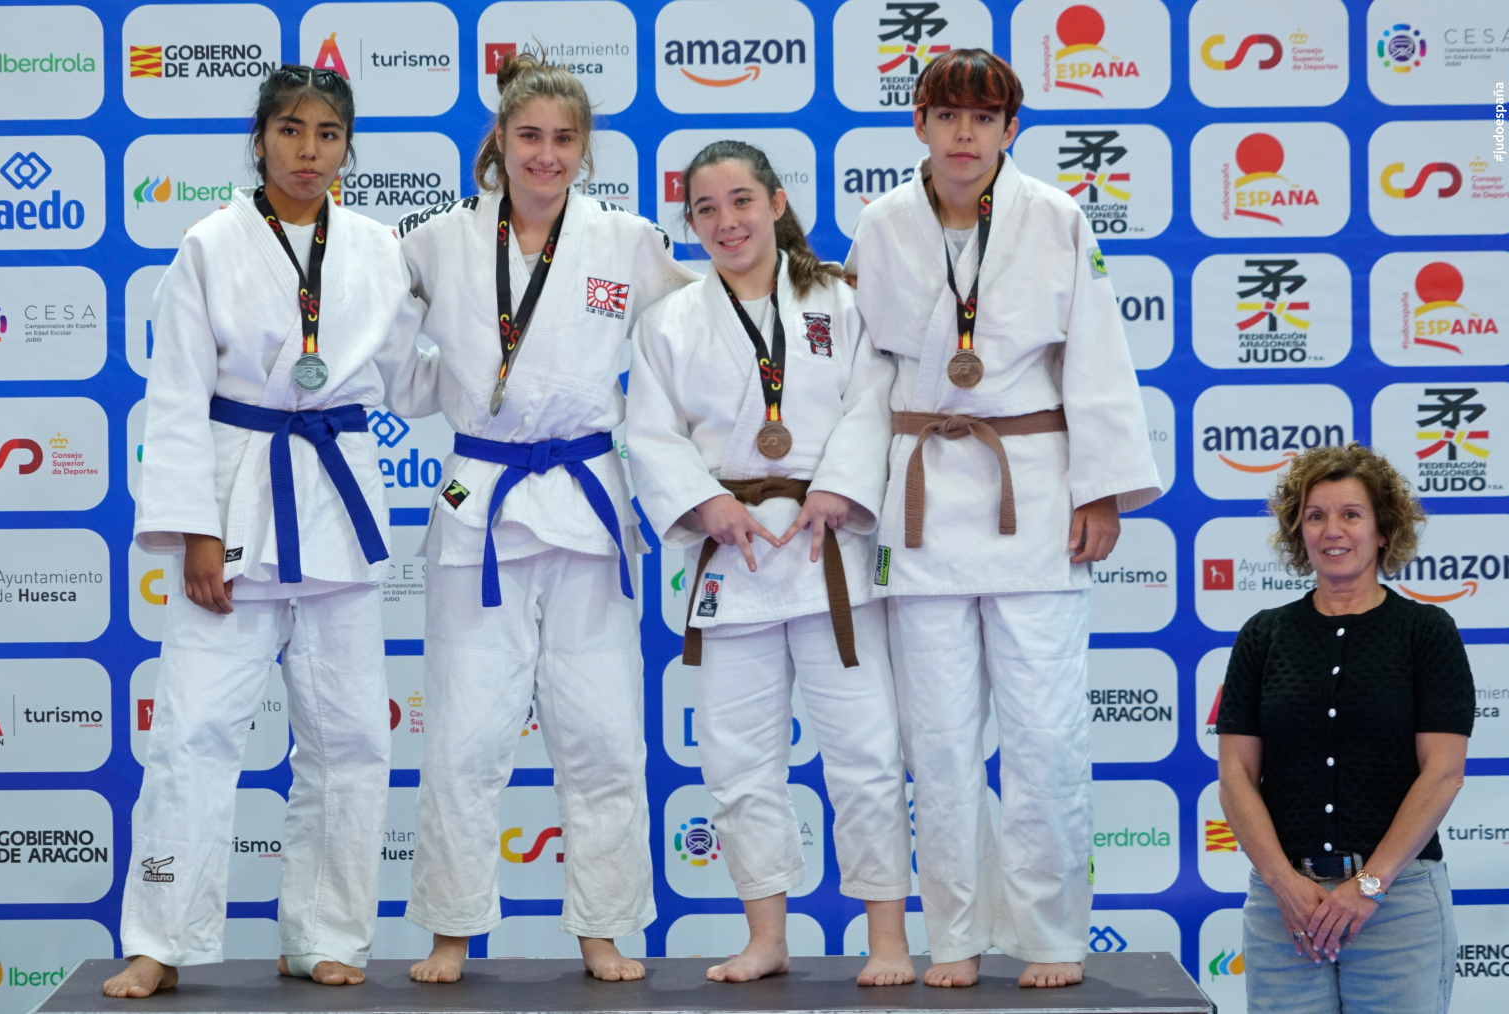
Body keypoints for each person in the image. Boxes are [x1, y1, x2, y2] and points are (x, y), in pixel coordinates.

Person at [844, 48, 1161, 989]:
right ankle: (954, 933)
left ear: (1011, 129)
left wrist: (1100, 488)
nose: (965, 134)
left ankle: (1052, 933)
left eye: (984, 118)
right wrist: (851, 493)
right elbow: (861, 377)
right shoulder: (881, 224)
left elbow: (1097, 356)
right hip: (922, 505)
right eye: (947, 115)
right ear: (919, 124)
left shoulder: (1057, 217)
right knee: (938, 746)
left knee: (1045, 736)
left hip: (1032, 494)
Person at [106, 66, 419, 997]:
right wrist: (194, 530)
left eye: (327, 133)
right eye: (290, 129)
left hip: (336, 505)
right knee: (194, 730)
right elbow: (174, 395)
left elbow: (412, 375)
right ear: (260, 139)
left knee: (351, 737)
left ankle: (326, 933)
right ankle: (161, 939)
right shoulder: (210, 244)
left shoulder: (378, 249)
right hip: (238, 498)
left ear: (347, 148)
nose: (308, 150)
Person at [388, 53, 698, 984]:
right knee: (464, 733)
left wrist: (803, 279)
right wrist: (450, 384)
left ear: (585, 149)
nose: (546, 154)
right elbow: (391, 358)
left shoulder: (626, 240)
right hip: (479, 498)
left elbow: (705, 331)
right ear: (501, 139)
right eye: (529, 136)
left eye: (565, 139)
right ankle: (450, 929)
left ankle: (603, 927)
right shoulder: (438, 240)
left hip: (587, 502)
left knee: (602, 733)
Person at [628, 141, 912, 986]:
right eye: (706, 209)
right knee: (736, 759)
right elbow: (651, 435)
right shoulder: (669, 322)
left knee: (865, 753)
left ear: (778, 204)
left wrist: (840, 486)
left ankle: (888, 940)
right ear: (690, 224)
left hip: (831, 554)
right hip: (735, 554)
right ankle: (766, 937)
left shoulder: (838, 300)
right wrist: (703, 502)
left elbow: (875, 401)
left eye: (742, 201)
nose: (727, 221)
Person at [1216, 443, 1472, 1014]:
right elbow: (1234, 777)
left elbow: (1443, 774)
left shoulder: (1426, 632)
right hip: (1286, 910)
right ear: (1298, 532)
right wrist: (1283, 884)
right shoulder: (1263, 635)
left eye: (1351, 514)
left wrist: (1369, 887)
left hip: (1397, 905)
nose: (1332, 530)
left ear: (1382, 530)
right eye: (1315, 516)